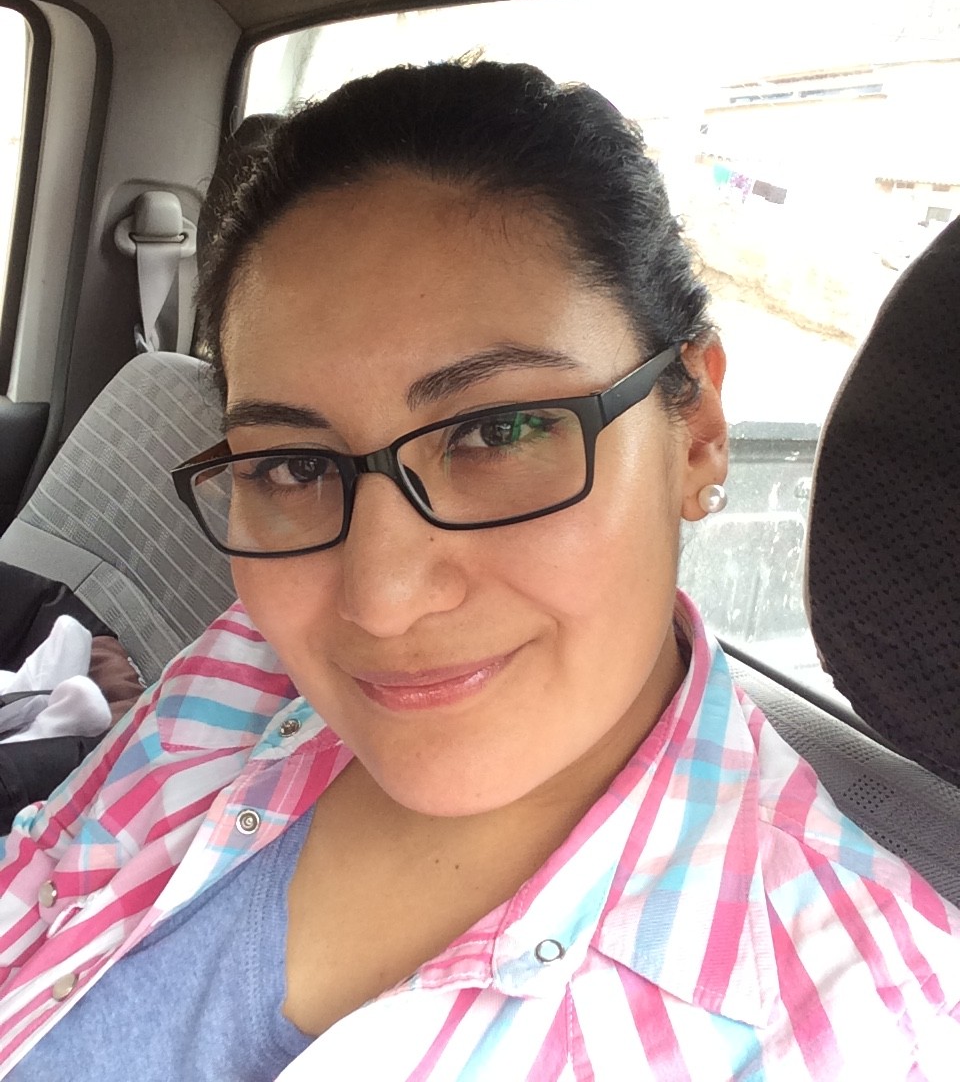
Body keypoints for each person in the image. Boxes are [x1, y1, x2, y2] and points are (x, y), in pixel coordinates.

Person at [0, 60, 957, 1080]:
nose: (380, 600)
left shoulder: (882, 1035)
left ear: (698, 432)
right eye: (293, 466)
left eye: (497, 431)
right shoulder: (243, 668)